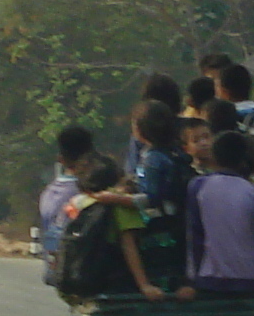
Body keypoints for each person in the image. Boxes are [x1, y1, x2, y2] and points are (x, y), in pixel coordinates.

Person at [62, 157, 169, 299]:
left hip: (86, 278)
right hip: (116, 279)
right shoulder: (120, 203)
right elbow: (129, 247)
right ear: (117, 177)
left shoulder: (79, 202)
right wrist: (144, 285)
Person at [184, 128, 254, 295]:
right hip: (250, 277)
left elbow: (195, 234)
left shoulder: (199, 186)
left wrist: (191, 280)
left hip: (210, 278)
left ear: (213, 156)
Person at [37, 124, 97, 284]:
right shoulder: (89, 194)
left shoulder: (47, 194)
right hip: (83, 270)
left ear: (61, 160)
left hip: (56, 270)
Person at [132, 101, 188, 219]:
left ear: (139, 128)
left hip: (163, 222)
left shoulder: (153, 159)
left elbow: (152, 198)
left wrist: (117, 199)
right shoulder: (177, 149)